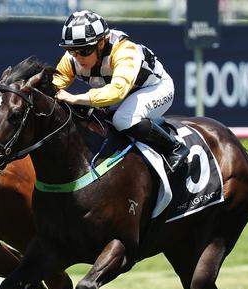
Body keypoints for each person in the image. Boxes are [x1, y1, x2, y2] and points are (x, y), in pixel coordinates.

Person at [54, 10, 189, 172]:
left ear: (101, 43)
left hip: (155, 88)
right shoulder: (72, 59)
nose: (77, 57)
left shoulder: (124, 51)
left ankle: (174, 147)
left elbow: (117, 91)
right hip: (122, 97)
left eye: (84, 51)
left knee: (122, 120)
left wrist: (76, 98)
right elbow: (54, 85)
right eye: (71, 50)